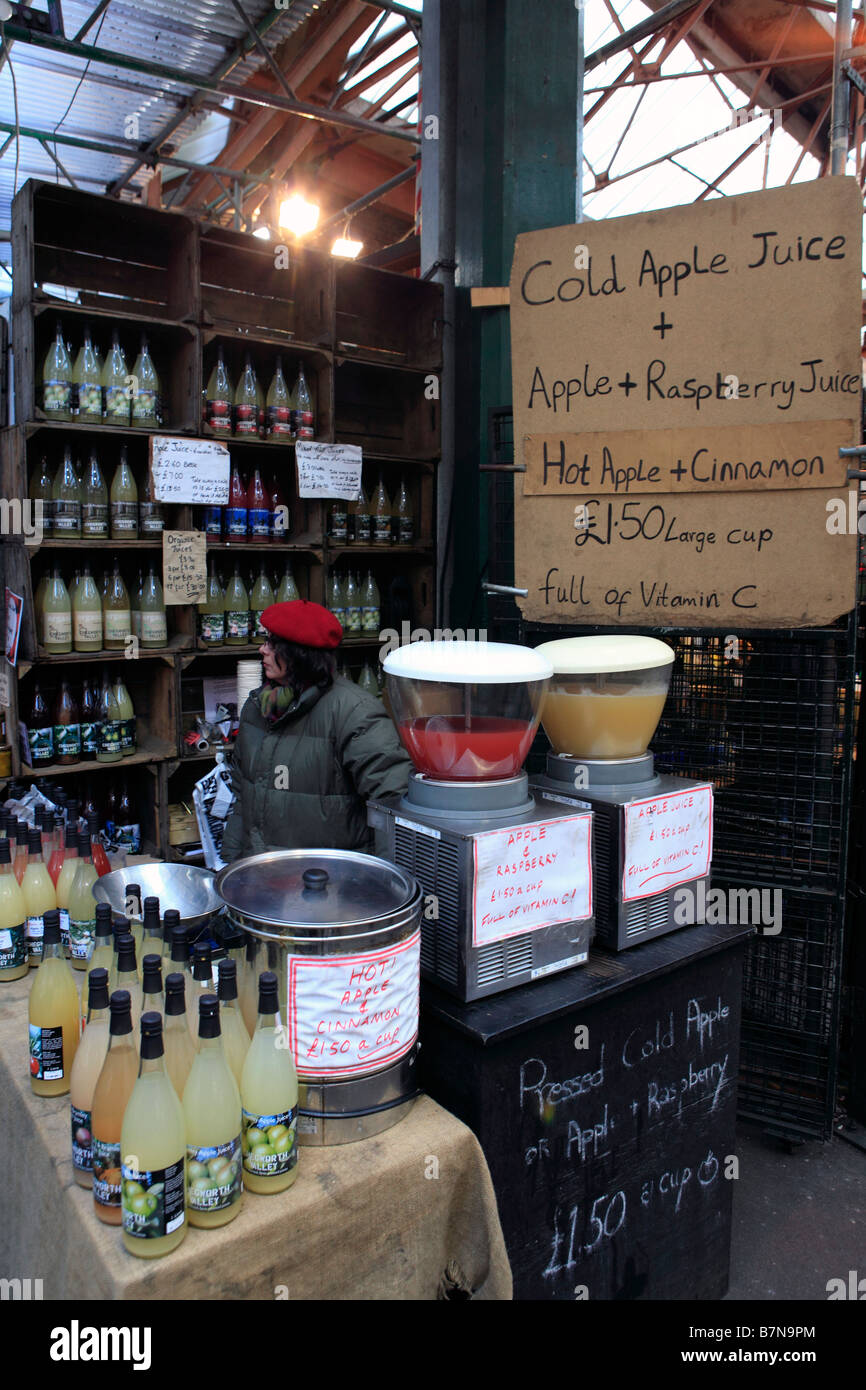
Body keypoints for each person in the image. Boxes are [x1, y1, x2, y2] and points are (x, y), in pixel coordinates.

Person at [220, 599, 410, 860]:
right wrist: (230, 867)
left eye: (273, 644)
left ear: (300, 655)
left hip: (330, 883)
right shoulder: (257, 707)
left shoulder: (354, 712)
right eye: (265, 640)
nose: (262, 650)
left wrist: (383, 886)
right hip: (262, 877)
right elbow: (244, 798)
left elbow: (393, 804)